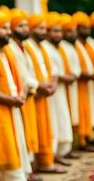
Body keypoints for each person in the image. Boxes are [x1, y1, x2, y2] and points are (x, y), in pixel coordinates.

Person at [0, 7, 31, 180]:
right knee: (4, 149)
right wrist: (11, 99)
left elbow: (16, 79)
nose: (9, 32)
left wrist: (20, 95)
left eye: (9, 27)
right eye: (5, 28)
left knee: (16, 145)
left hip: (12, 106)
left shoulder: (6, 52)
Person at [24, 14, 65, 173]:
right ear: (32, 29)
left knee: (49, 128)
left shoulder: (43, 47)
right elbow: (25, 74)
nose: (44, 32)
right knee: (35, 130)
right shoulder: (27, 47)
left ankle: (48, 161)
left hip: (46, 94)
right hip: (35, 95)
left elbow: (53, 70)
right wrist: (40, 87)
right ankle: (38, 166)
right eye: (41, 28)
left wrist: (52, 84)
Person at [8, 8, 41, 181]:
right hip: (21, 96)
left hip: (28, 95)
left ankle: (28, 171)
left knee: (28, 132)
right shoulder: (12, 49)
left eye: (26, 26)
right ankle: (26, 172)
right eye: (21, 26)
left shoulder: (24, 48)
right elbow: (21, 75)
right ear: (12, 29)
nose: (25, 29)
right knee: (22, 134)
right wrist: (35, 85)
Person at [40, 12, 73, 166]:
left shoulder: (57, 48)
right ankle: (52, 156)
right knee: (54, 122)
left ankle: (60, 154)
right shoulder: (45, 48)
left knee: (61, 121)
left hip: (58, 91)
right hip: (50, 91)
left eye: (60, 31)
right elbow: (54, 72)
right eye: (55, 31)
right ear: (48, 32)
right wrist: (58, 80)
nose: (58, 34)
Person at [58, 14, 81, 155]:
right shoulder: (58, 47)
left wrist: (73, 75)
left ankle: (71, 148)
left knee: (70, 117)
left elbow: (77, 68)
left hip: (71, 87)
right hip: (59, 89)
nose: (73, 33)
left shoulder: (68, 47)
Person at [72, 11, 94, 151]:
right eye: (83, 28)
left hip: (90, 84)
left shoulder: (90, 43)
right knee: (81, 111)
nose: (86, 31)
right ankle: (82, 141)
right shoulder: (74, 46)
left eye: (87, 28)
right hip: (80, 84)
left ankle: (90, 137)